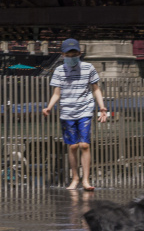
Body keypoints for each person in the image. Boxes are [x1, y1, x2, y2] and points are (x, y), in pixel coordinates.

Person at [42, 38, 108, 192]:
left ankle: (85, 180)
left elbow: (96, 89)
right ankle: (75, 178)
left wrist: (102, 107)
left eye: (75, 54)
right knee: (72, 146)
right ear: (63, 55)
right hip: (67, 111)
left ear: (79, 53)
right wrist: (49, 107)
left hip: (85, 109)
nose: (72, 57)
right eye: (69, 54)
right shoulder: (59, 70)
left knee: (84, 144)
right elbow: (56, 93)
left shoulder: (88, 68)